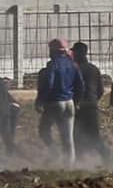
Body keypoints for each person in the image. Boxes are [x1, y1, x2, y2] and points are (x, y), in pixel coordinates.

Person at [36, 38, 85, 167]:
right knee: (68, 138)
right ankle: (69, 167)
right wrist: (77, 101)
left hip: (54, 102)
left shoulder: (53, 65)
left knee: (43, 130)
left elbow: (49, 83)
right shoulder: (73, 64)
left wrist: (40, 100)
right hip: (69, 102)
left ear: (53, 51)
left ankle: (54, 152)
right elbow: (80, 85)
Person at [72, 42, 108, 163]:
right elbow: (101, 90)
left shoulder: (73, 68)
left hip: (77, 106)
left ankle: (80, 161)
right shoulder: (94, 69)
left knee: (76, 135)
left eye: (74, 52)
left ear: (77, 53)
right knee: (94, 136)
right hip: (92, 106)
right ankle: (108, 158)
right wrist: (93, 101)